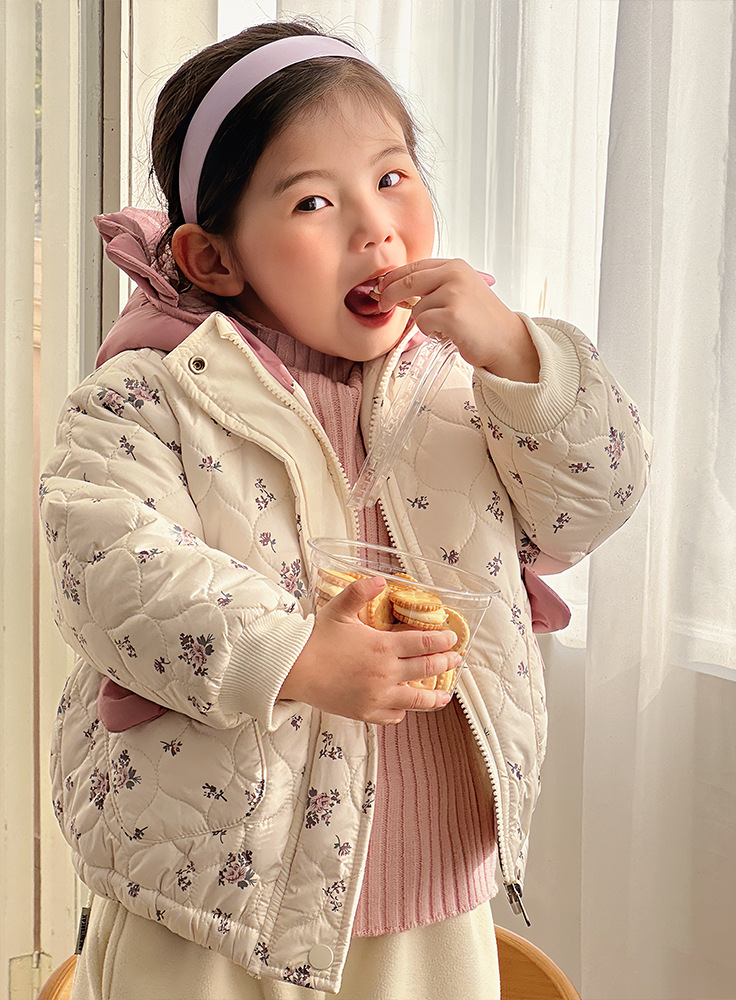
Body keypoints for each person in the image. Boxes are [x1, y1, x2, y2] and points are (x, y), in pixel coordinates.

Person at [41, 20, 650, 1000]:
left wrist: (523, 361)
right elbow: (106, 570)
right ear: (212, 258)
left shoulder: (466, 380)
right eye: (314, 201)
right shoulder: (154, 393)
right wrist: (291, 654)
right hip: (215, 904)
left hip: (433, 897)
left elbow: (595, 503)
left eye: (393, 177)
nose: (375, 227)